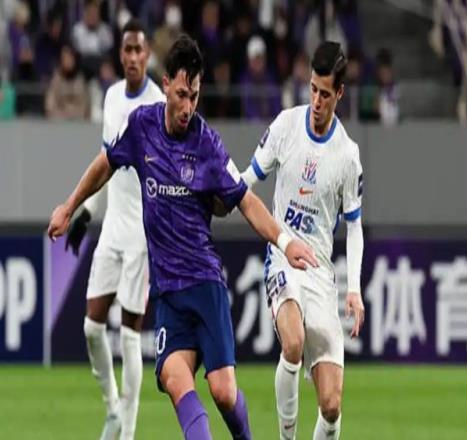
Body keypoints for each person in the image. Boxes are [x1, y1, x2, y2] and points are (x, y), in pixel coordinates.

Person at [48, 34, 317, 440]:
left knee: (223, 392)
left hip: (205, 285)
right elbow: (105, 164)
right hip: (168, 295)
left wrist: (284, 241)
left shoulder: (207, 143)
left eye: (194, 96)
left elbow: (245, 202)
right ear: (166, 84)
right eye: (180, 95)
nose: (188, 107)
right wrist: (69, 207)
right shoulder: (142, 126)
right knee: (176, 381)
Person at [241, 41, 365, 440]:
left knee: (331, 406)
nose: (316, 101)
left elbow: (355, 226)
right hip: (283, 257)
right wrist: (217, 192)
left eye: (325, 94)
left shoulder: (347, 155)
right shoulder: (285, 126)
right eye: (312, 89)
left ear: (339, 93)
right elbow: (247, 180)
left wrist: (354, 289)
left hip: (320, 274)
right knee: (292, 343)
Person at [63, 19, 164, 440]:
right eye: (128, 50)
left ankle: (128, 433)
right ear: (120, 55)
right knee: (91, 327)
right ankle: (112, 410)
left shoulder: (159, 104)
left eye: (139, 49)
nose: (134, 57)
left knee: (129, 335)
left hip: (141, 233)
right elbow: (106, 161)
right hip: (112, 229)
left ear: (148, 54)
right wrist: (86, 211)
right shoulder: (110, 97)